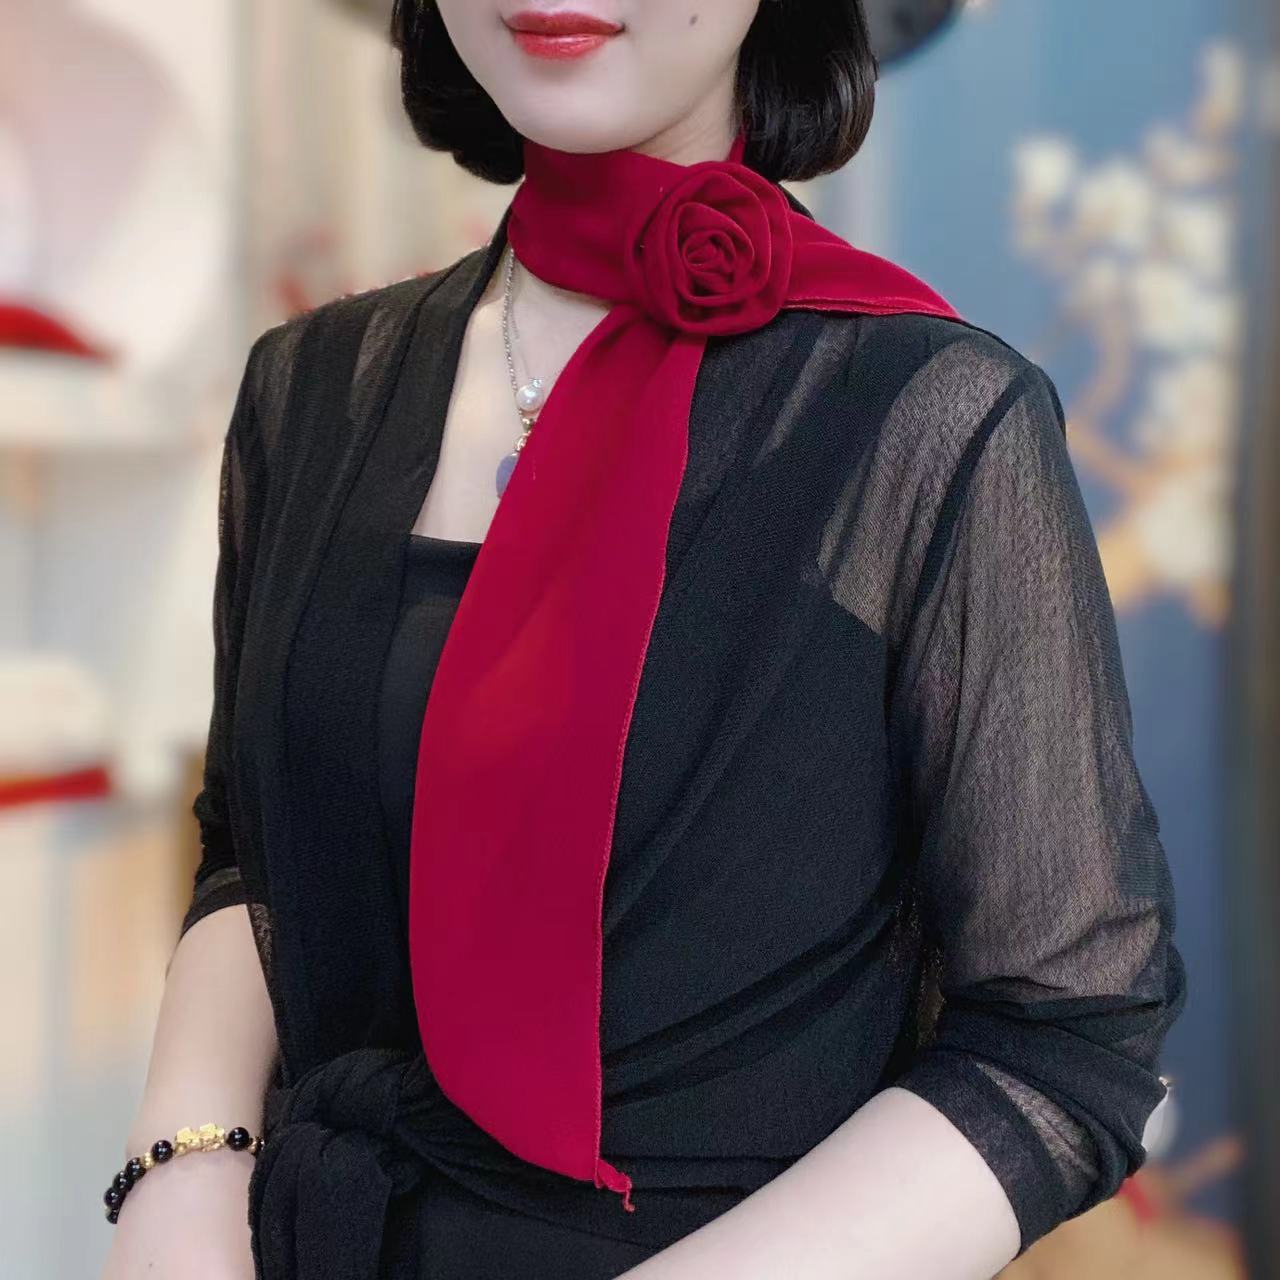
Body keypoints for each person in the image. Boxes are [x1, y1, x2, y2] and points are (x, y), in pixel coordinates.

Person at [102, 2, 1187, 1277]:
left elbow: (1059, 1037)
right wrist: (184, 1165)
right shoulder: (308, 389)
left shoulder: (926, 423)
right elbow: (253, 849)